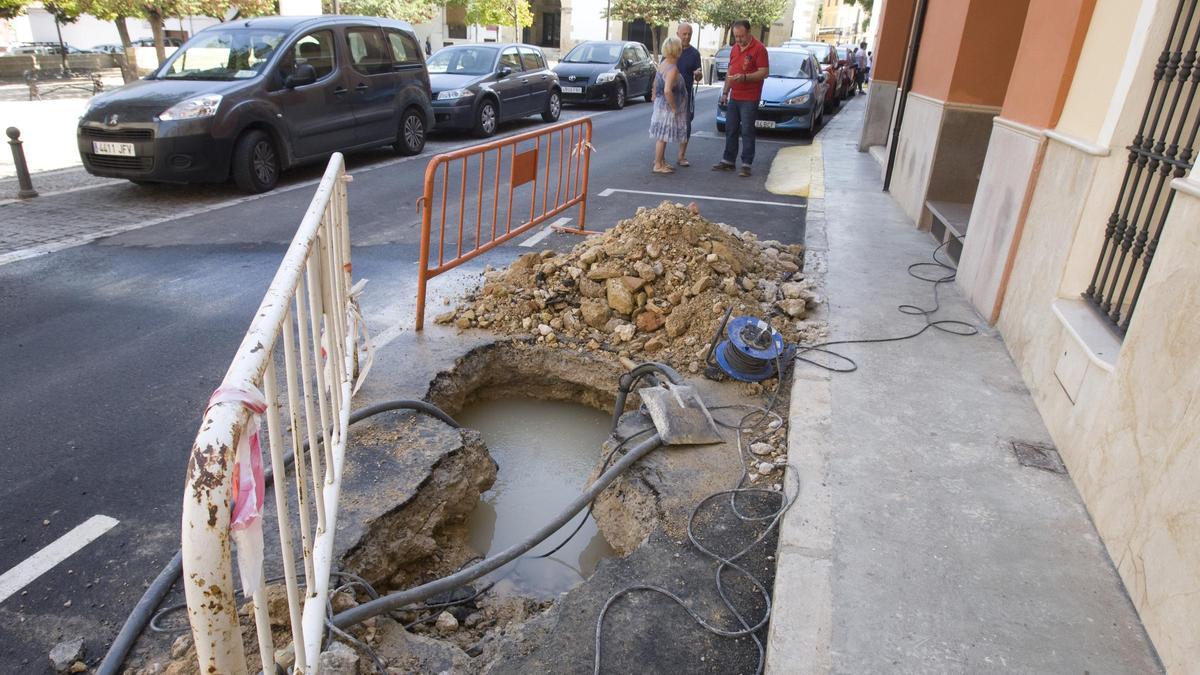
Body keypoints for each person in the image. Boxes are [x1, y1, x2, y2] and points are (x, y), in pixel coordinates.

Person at [713, 20, 768, 177]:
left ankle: (746, 164)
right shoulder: (735, 49)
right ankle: (728, 161)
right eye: (736, 36)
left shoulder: (759, 49)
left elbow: (764, 72)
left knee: (747, 130)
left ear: (749, 32)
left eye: (741, 36)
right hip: (734, 96)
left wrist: (744, 77)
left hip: (750, 97)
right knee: (730, 129)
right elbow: (731, 70)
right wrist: (725, 92)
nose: (738, 40)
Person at [648, 36, 689, 174]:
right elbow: (667, 90)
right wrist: (673, 107)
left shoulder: (664, 63)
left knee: (662, 136)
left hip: (660, 105)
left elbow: (656, 81)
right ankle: (658, 164)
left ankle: (661, 161)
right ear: (677, 50)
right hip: (666, 107)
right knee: (662, 136)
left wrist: (654, 94)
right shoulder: (672, 69)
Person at [675, 23, 703, 167]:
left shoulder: (694, 53)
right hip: (671, 94)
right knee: (666, 124)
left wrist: (698, 75)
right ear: (677, 33)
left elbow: (699, 76)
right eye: (684, 34)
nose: (686, 37)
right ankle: (659, 158)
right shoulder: (671, 49)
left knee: (686, 125)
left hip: (686, 94)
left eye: (689, 34)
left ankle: (681, 156)